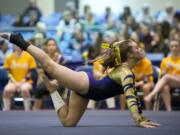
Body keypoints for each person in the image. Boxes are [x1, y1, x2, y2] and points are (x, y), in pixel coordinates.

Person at [0, 33, 160, 128]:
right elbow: (132, 98)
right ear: (130, 55)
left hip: (87, 93)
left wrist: (141, 116)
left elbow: (132, 97)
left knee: (67, 123)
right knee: (49, 65)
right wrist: (138, 119)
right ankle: (19, 39)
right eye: (136, 48)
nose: (141, 49)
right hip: (84, 82)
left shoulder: (125, 69)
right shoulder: (126, 72)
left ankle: (53, 92)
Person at [144, 39, 180, 112]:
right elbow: (162, 75)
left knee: (167, 77)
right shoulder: (165, 60)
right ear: (170, 48)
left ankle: (151, 95)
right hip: (171, 82)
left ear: (179, 47)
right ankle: (169, 110)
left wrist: (173, 66)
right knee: (165, 87)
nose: (174, 48)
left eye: (176, 46)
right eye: (172, 46)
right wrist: (166, 70)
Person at [33, 38, 66, 110]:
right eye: (49, 45)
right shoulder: (42, 58)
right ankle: (36, 111)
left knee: (61, 88)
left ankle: (61, 111)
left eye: (53, 45)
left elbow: (63, 75)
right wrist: (49, 83)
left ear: (56, 47)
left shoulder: (61, 58)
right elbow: (41, 74)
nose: (51, 47)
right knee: (39, 89)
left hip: (58, 81)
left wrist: (55, 81)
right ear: (46, 47)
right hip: (46, 81)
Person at [2, 45, 37, 111]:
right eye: (15, 44)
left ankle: (27, 110)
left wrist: (20, 83)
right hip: (13, 82)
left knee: (24, 89)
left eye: (18, 44)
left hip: (26, 82)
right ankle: (6, 110)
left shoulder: (29, 57)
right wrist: (15, 83)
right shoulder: (9, 57)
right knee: (6, 90)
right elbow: (8, 73)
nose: (17, 46)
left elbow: (31, 73)